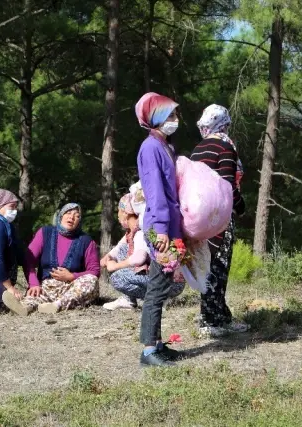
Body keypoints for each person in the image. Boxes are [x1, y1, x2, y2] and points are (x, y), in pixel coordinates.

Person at [134, 92, 184, 367]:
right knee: (156, 287)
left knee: (162, 285)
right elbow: (154, 193)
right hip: (158, 227)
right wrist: (163, 230)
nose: (175, 120)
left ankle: (157, 343)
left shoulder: (166, 146)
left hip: (168, 225)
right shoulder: (150, 148)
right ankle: (148, 350)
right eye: (171, 115)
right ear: (156, 118)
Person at [190, 104, 248, 337]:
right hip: (220, 217)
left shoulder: (198, 149)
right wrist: (240, 206)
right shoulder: (224, 147)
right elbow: (226, 186)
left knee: (207, 264)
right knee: (219, 266)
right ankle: (211, 321)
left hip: (199, 218)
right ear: (223, 123)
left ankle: (220, 315)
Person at [101, 193, 185, 310]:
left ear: (126, 213)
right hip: (170, 281)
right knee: (123, 250)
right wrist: (107, 257)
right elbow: (119, 247)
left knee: (117, 277)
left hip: (170, 282)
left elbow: (139, 258)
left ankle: (157, 299)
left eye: (119, 211)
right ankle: (131, 299)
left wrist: (115, 266)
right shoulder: (133, 232)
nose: (118, 215)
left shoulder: (140, 232)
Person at [13, 203, 100, 315]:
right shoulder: (45, 233)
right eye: (68, 213)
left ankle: (56, 306)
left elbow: (95, 271)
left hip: (72, 289)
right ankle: (23, 308)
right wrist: (34, 283)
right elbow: (29, 260)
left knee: (91, 280)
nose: (71, 217)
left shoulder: (86, 241)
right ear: (61, 216)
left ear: (79, 221)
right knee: (33, 298)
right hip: (46, 287)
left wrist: (71, 276)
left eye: (77, 216)